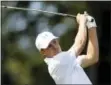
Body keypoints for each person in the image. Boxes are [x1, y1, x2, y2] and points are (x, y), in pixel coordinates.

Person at [35, 12, 99, 84]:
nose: (54, 46)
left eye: (54, 42)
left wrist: (91, 25)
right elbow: (80, 43)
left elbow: (92, 57)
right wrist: (82, 21)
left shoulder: (68, 60)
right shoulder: (56, 64)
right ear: (43, 52)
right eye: (49, 46)